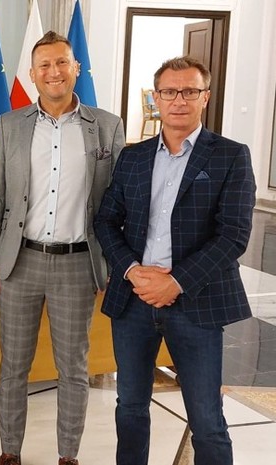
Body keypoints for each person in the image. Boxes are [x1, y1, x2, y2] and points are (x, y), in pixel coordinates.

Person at [94, 56, 255, 465]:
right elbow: (106, 220)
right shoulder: (133, 157)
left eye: (189, 91)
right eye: (169, 91)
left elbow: (233, 235)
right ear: (157, 97)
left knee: (206, 419)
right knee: (130, 407)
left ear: (205, 96)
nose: (179, 100)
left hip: (196, 303)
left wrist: (175, 282)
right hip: (133, 301)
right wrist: (133, 271)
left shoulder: (230, 156)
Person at [0, 31, 125, 465]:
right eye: (44, 65)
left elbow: (119, 202)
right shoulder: (10, 124)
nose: (54, 72)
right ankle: (10, 451)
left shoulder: (107, 125)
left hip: (78, 265)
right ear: (33, 73)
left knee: (74, 369)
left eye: (62, 62)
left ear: (75, 68)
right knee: (13, 366)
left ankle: (68, 456)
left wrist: (113, 263)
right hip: (19, 262)